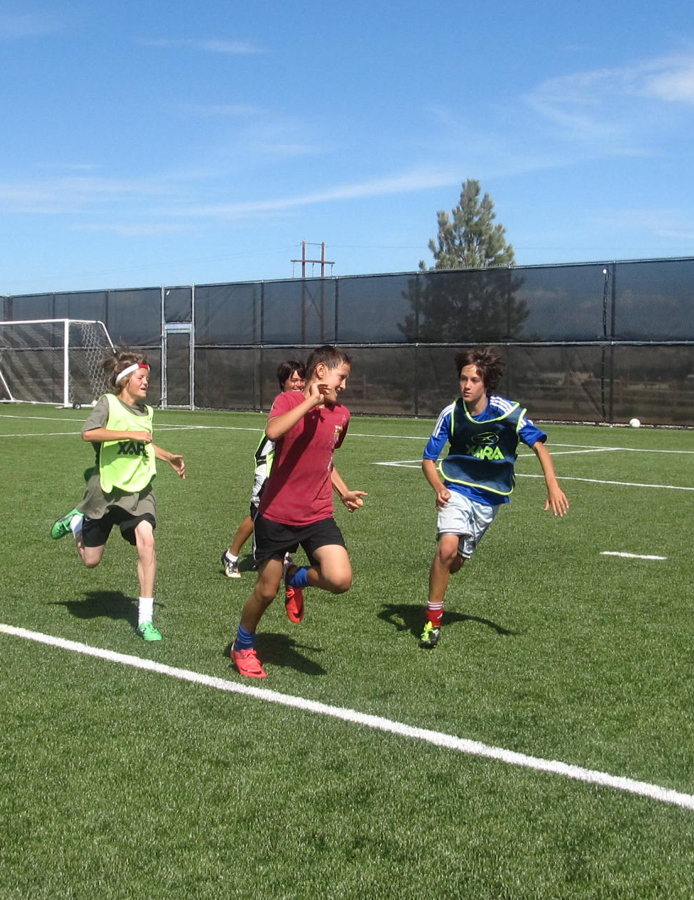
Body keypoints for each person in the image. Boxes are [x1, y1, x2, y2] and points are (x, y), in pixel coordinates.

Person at [230, 345, 368, 678]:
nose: (344, 386)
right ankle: (242, 644)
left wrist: (343, 490)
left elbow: (324, 458)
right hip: (276, 515)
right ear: (321, 371)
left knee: (340, 579)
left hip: (318, 514)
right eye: (342, 377)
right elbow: (274, 432)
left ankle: (297, 577)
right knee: (265, 591)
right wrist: (312, 401)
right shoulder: (289, 402)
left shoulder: (342, 416)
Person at [420, 346, 569, 648]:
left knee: (457, 562)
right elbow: (427, 460)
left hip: (489, 500)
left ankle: (443, 588)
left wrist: (552, 485)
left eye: (474, 380)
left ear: (486, 383)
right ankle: (432, 622)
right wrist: (439, 487)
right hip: (457, 490)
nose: (467, 385)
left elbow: (539, 446)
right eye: (463, 378)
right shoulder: (450, 414)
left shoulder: (507, 411)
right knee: (446, 550)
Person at [50, 351, 186, 641]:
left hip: (138, 492)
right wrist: (128, 435)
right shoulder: (108, 403)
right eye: (140, 377)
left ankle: (145, 621)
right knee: (90, 561)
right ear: (125, 381)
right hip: (106, 491)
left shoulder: (147, 412)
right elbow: (89, 433)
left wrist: (167, 457)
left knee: (147, 542)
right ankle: (77, 523)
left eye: (147, 378)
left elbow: (144, 445)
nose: (146, 382)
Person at [221, 359, 306, 578]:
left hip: (287, 472)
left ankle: (280, 555)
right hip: (268, 470)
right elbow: (271, 440)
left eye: (301, 380)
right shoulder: (284, 401)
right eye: (293, 380)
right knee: (258, 515)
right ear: (283, 383)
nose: (298, 384)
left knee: (286, 513)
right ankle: (231, 556)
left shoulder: (305, 403)